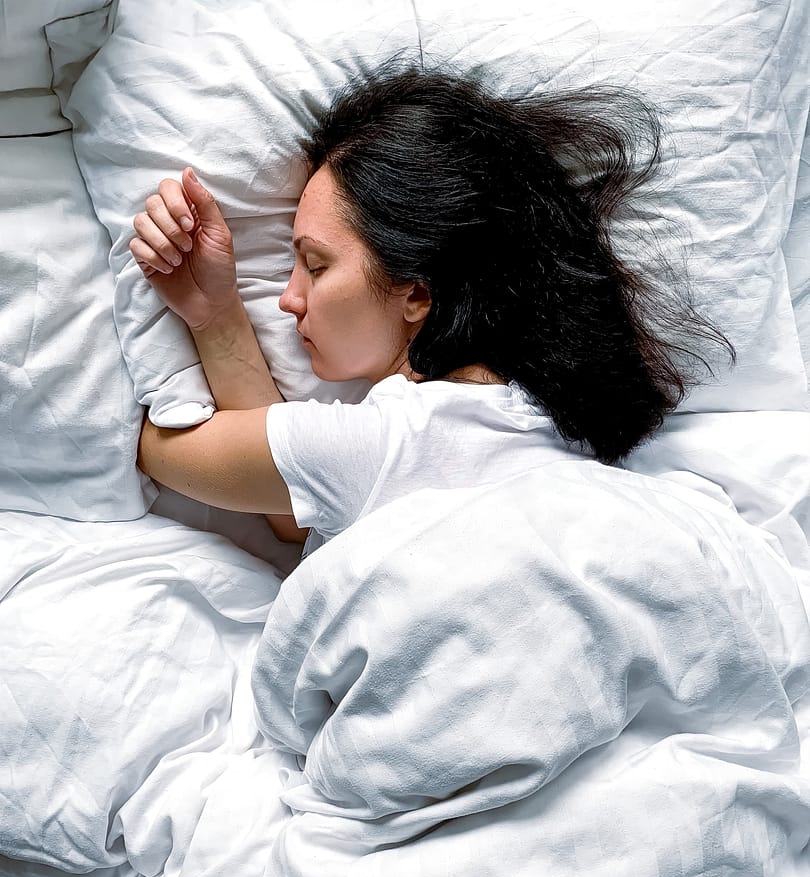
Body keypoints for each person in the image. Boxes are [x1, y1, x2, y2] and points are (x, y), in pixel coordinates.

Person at [131, 65, 731, 555]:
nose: (289, 299)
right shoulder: (559, 428)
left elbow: (163, 455)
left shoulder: (381, 442)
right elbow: (296, 511)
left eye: (315, 266)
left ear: (417, 292)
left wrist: (209, 315)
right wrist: (218, 313)